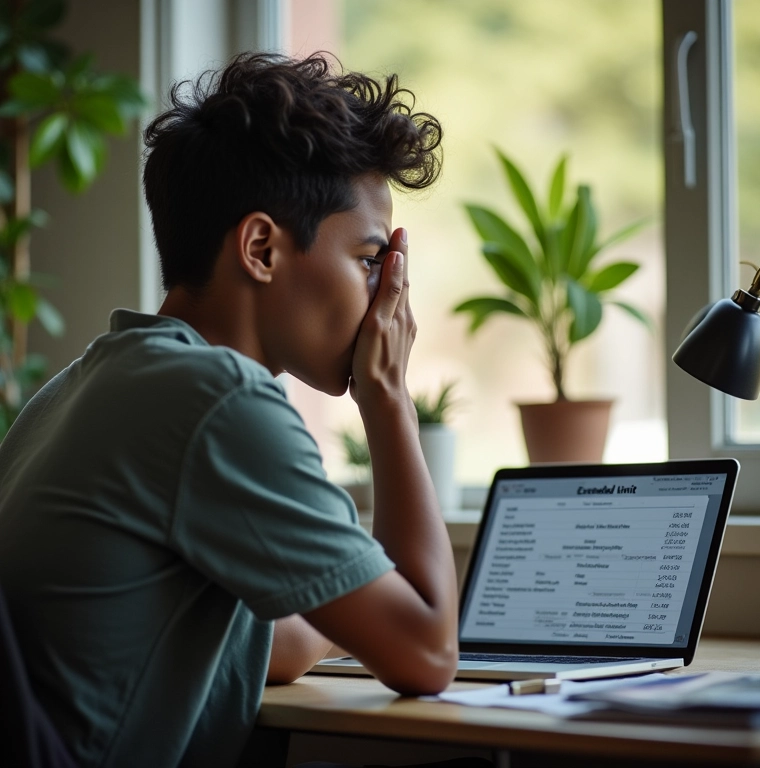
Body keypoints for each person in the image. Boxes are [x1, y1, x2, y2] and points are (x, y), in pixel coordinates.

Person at [0, 52, 458, 767]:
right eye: (372, 260)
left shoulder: (81, 388)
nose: (388, 297)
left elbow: (280, 644)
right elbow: (428, 652)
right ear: (261, 248)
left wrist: (353, 594)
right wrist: (389, 396)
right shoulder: (217, 401)